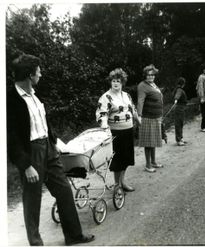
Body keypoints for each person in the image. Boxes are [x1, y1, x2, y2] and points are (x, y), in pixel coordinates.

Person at [7, 54, 95, 246]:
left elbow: (43, 122)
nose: (41, 74)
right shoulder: (10, 100)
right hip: (31, 153)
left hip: (48, 148)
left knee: (64, 190)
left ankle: (73, 236)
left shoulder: (35, 95)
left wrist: (55, 142)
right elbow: (10, 138)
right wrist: (26, 165)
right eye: (38, 71)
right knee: (32, 199)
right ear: (30, 75)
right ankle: (36, 243)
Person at [96, 68, 139, 192]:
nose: (115, 83)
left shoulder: (126, 95)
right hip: (115, 133)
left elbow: (133, 110)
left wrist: (138, 120)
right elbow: (101, 114)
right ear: (110, 82)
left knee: (126, 158)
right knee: (117, 160)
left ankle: (123, 182)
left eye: (118, 81)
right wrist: (104, 126)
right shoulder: (106, 97)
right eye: (113, 81)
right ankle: (117, 185)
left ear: (122, 83)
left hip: (128, 130)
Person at [137, 64, 164, 173]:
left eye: (152, 75)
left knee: (153, 141)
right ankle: (148, 165)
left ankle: (153, 161)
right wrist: (139, 116)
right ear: (145, 75)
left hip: (156, 117)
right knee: (148, 142)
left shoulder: (153, 84)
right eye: (148, 75)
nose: (150, 76)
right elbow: (140, 101)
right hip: (147, 118)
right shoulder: (142, 86)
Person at [173, 77, 188, 146]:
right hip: (179, 108)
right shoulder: (179, 90)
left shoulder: (178, 89)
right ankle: (178, 140)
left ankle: (181, 138)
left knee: (181, 123)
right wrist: (176, 100)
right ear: (183, 84)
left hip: (181, 108)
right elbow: (177, 96)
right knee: (178, 124)